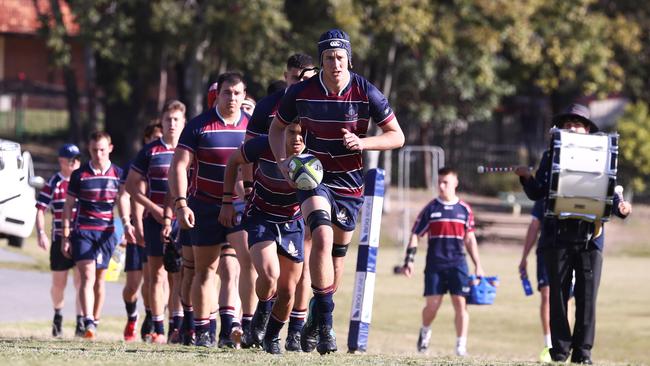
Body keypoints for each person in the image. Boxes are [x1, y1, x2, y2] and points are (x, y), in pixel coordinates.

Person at [268, 29, 405, 354]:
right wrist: (284, 161)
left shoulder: (365, 91)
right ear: (322, 60)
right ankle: (327, 324)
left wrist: (364, 142)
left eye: (340, 57)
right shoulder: (301, 91)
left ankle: (317, 315)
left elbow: (397, 136)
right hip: (314, 177)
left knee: (338, 257)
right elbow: (277, 127)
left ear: (349, 59)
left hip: (350, 183)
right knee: (322, 237)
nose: (335, 63)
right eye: (328, 57)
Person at [515, 103, 632, 364]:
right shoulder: (550, 156)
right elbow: (538, 192)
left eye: (577, 124)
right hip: (556, 235)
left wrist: (623, 209)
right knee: (558, 297)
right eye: (567, 124)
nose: (571, 128)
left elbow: (611, 196)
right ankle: (559, 351)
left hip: (591, 237)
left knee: (587, 299)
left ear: (588, 129)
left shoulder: (603, 154)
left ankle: (583, 353)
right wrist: (526, 178)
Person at [169, 72, 250, 347]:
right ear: (219, 94)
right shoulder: (199, 126)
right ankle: (203, 330)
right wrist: (181, 204)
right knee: (205, 270)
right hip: (204, 206)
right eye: (228, 93)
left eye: (238, 93)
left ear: (244, 95)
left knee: (240, 267)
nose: (233, 98)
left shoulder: (251, 128)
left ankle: (236, 328)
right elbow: (178, 167)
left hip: (239, 208)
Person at [245, 53, 318, 351]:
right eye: (293, 78)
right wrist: (247, 186)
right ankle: (264, 315)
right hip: (265, 200)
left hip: (301, 204)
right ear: (286, 77)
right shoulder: (267, 107)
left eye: (306, 79)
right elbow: (248, 150)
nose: (299, 84)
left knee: (301, 275)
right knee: (271, 274)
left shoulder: (320, 108)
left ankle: (294, 332)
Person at [219, 123, 307, 354]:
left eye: (302, 134)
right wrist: (228, 201)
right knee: (269, 276)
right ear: (282, 132)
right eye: (292, 132)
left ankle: (272, 336)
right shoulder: (264, 146)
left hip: (292, 223)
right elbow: (233, 162)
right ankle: (260, 316)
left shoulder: (313, 156)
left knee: (288, 291)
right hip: (261, 217)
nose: (297, 138)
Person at [401, 167, 485, 356]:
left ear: (455, 183)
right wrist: (409, 260)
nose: (441, 185)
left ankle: (460, 346)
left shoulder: (464, 209)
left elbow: (470, 239)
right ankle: (425, 331)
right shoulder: (431, 208)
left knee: (461, 304)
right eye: (439, 181)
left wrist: (478, 265)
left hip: (458, 264)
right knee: (432, 306)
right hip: (435, 265)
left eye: (445, 182)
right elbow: (416, 235)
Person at [126, 100, 186, 344]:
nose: (171, 124)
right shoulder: (150, 151)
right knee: (157, 275)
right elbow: (131, 185)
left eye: (176, 120)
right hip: (154, 221)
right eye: (168, 120)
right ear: (162, 122)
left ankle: (178, 326)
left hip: (181, 220)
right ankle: (158, 328)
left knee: (179, 275)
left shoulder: (188, 149)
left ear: (184, 122)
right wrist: (153, 208)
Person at [61, 131, 128, 340]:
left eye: (101, 149)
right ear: (89, 150)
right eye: (93, 150)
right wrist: (65, 235)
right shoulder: (79, 174)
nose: (98, 154)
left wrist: (126, 226)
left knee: (100, 279)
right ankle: (87, 319)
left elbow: (123, 201)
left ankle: (95, 322)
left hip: (107, 233)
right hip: (83, 231)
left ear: (110, 148)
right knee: (87, 276)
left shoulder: (118, 173)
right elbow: (69, 205)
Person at [119, 121, 163, 342]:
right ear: (146, 141)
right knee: (132, 285)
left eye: (160, 137)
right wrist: (128, 224)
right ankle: (133, 315)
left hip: (157, 228)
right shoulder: (136, 165)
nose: (157, 141)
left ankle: (151, 319)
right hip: (138, 230)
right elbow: (124, 196)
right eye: (153, 138)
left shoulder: (168, 161)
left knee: (154, 278)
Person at [35, 143, 83, 337]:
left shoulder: (83, 179)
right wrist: (41, 233)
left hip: (81, 238)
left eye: (76, 159)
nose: (74, 163)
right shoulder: (55, 182)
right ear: (61, 161)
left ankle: (81, 321)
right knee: (59, 283)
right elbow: (40, 209)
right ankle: (58, 316)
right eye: (70, 160)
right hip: (58, 238)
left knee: (82, 281)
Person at [518, 200, 553, 361]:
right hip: (546, 250)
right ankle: (549, 345)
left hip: (570, 249)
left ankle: (564, 343)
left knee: (566, 297)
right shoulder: (543, 196)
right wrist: (524, 257)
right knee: (546, 295)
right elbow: (534, 226)